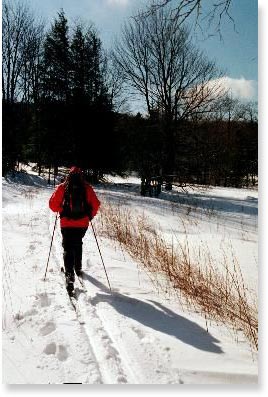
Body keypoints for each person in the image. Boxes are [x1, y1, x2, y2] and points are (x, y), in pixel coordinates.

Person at [49, 166, 100, 294]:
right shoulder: (87, 188)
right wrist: (89, 216)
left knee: (67, 247)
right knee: (77, 242)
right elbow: (96, 204)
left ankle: (69, 275)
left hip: (66, 224)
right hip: (82, 224)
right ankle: (78, 267)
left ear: (69, 175)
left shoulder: (62, 187)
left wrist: (61, 208)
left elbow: (53, 205)